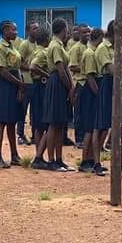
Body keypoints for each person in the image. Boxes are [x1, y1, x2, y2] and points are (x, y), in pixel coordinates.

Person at [0, 20, 25, 168]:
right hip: (5, 86)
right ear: (5, 31)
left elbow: (18, 67)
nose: (16, 33)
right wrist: (20, 84)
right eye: (13, 30)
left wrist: (20, 86)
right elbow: (2, 71)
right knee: (2, 122)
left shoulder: (12, 46)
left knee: (12, 121)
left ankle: (14, 155)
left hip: (15, 84)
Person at [42, 18, 74, 171]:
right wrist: (70, 88)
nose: (68, 32)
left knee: (61, 123)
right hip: (57, 83)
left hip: (62, 84)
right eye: (67, 29)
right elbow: (61, 71)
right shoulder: (55, 45)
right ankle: (51, 160)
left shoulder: (60, 45)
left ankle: (60, 159)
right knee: (54, 124)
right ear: (63, 29)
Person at [90, 22, 116, 175]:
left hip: (116, 85)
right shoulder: (102, 48)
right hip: (106, 84)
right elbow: (113, 71)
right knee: (99, 126)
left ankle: (117, 161)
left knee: (111, 125)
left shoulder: (116, 48)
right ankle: (96, 162)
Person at [76, 29, 101, 172]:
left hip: (91, 91)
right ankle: (85, 160)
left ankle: (90, 159)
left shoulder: (91, 52)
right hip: (90, 92)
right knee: (89, 128)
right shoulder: (90, 53)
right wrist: (98, 95)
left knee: (92, 127)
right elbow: (90, 77)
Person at [29, 27, 52, 168]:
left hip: (37, 86)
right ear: (47, 39)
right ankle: (39, 156)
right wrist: (47, 75)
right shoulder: (43, 52)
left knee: (38, 125)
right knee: (48, 123)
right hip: (42, 87)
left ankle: (39, 156)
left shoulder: (36, 50)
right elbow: (33, 66)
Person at [17, 21, 40, 145]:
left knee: (35, 110)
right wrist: (31, 68)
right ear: (28, 31)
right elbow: (19, 63)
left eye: (38, 28)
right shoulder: (24, 44)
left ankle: (34, 134)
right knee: (23, 109)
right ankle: (20, 135)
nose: (37, 30)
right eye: (34, 28)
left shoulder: (38, 44)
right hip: (26, 80)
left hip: (36, 81)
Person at [68, 25, 88, 146]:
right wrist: (87, 68)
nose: (87, 34)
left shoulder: (90, 47)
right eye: (84, 32)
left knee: (87, 112)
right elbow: (72, 66)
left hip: (89, 82)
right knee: (79, 112)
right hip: (79, 82)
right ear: (79, 34)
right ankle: (79, 139)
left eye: (89, 32)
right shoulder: (76, 48)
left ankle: (86, 137)